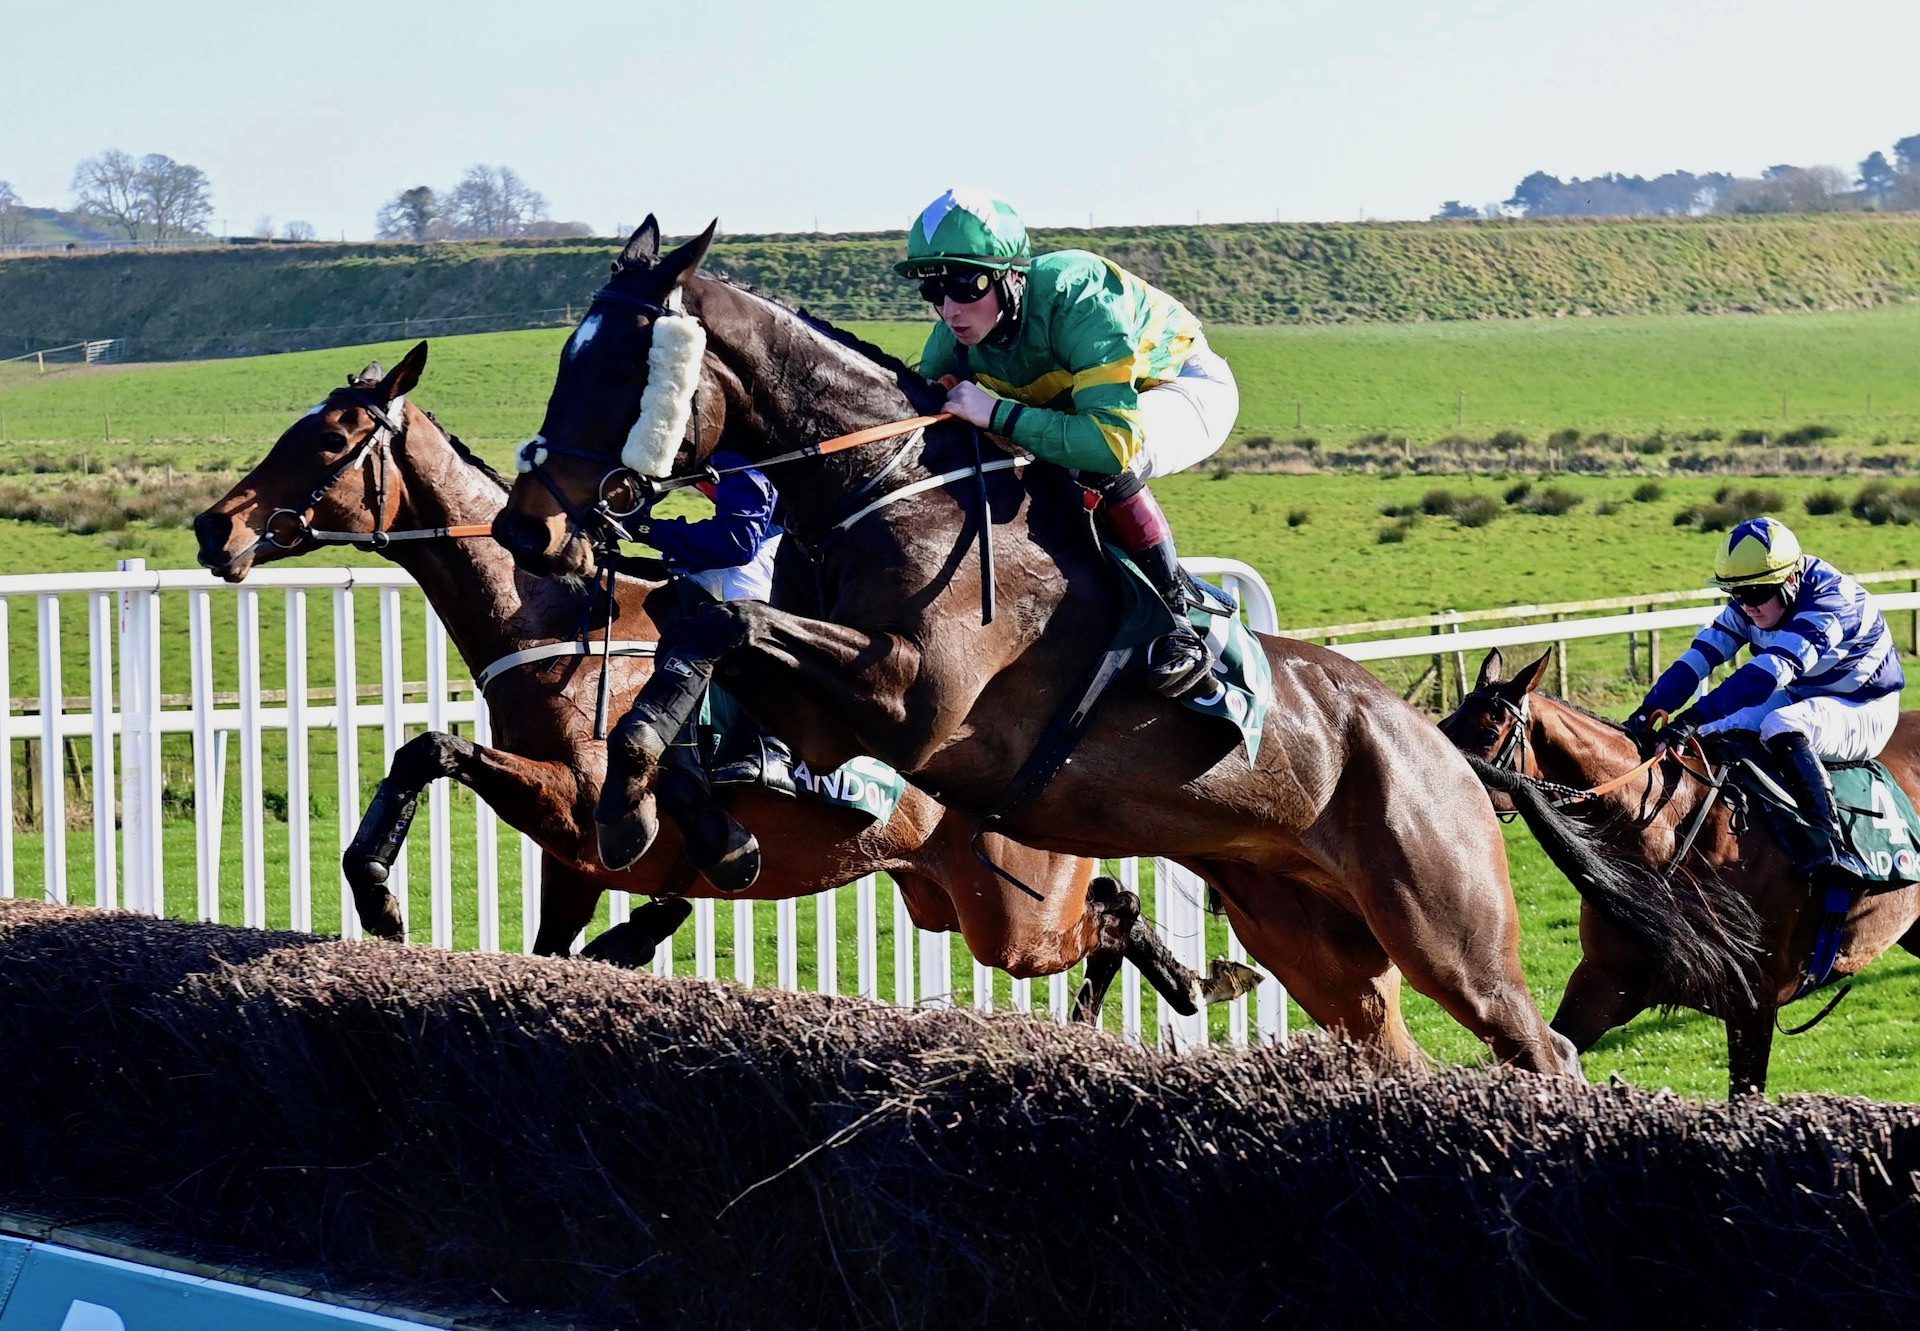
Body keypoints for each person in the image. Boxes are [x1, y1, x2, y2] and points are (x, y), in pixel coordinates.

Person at [895, 188, 1239, 697]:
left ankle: (1177, 623)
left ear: (1012, 275)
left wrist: (996, 412)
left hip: (1179, 385)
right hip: (1088, 410)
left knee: (1094, 462)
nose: (950, 310)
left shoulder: (1079, 293)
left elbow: (1110, 442)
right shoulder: (955, 337)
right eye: (934, 291)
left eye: (967, 286)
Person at [1626, 516, 1906, 882]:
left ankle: (1830, 844)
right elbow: (1701, 656)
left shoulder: (1830, 603)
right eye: (1736, 594)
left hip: (1864, 708)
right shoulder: (1755, 596)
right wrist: (1648, 710)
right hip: (1802, 696)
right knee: (1709, 731)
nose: (1747, 606)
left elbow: (1765, 677)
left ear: (1790, 580)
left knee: (1781, 724)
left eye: (1756, 594)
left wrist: (1690, 717)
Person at [629, 452, 793, 885]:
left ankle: (768, 744)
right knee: (672, 595)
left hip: (802, 542)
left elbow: (737, 541)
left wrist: (645, 528)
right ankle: (682, 750)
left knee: (741, 577)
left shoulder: (738, 451)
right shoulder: (681, 446)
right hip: (756, 537)